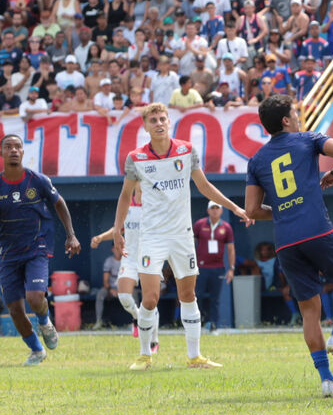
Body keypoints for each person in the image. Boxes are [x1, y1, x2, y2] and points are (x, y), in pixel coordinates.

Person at [244, 95, 333, 398]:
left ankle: (327, 380)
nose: (299, 117)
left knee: (309, 311)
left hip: (285, 241)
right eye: (295, 113)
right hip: (316, 230)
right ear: (286, 120)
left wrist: (282, 210)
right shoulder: (308, 139)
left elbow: (252, 210)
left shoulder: (257, 160)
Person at [114, 103, 251, 371]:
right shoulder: (136, 158)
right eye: (153, 120)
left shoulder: (187, 150)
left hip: (182, 236)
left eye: (162, 118)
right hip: (151, 236)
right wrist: (118, 230)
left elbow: (204, 186)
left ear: (169, 121)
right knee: (150, 298)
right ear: (145, 126)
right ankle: (144, 355)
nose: (159, 123)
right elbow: (125, 195)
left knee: (187, 295)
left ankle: (195, 357)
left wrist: (235, 208)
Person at [0, 134, 80, 365]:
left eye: (17, 146)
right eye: (8, 147)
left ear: (23, 152)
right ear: (2, 153)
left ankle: (45, 321)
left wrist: (71, 235)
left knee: (35, 298)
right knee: (14, 308)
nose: (13, 150)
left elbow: (59, 203)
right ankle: (37, 350)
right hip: (7, 252)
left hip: (37, 247)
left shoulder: (38, 180)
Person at [90, 182, 159, 349]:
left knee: (150, 301)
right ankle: (137, 317)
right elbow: (117, 229)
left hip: (149, 257)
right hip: (129, 258)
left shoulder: (154, 205)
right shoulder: (126, 204)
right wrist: (100, 237)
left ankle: (154, 340)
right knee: (124, 297)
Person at [193, 201, 235, 333]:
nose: (215, 211)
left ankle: (213, 326)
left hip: (218, 267)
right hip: (201, 267)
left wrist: (231, 268)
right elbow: (190, 244)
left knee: (215, 298)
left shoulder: (226, 227)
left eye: (217, 208)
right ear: (208, 210)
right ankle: (197, 325)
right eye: (213, 208)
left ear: (221, 211)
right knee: (197, 296)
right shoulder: (200, 224)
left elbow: (231, 249)